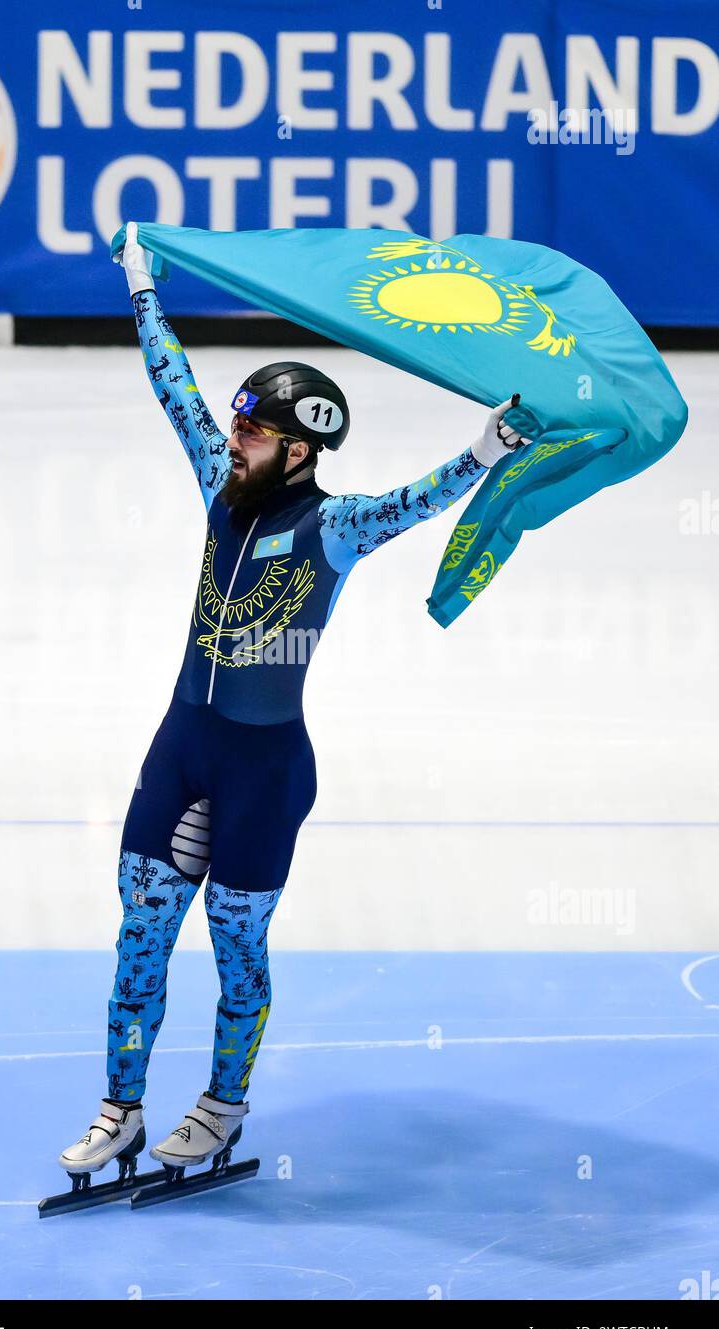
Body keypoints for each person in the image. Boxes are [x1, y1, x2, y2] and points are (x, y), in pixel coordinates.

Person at [58, 222, 531, 1182]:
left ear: (303, 449)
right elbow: (173, 386)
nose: (232, 442)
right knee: (140, 925)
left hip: (266, 769)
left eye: (254, 433)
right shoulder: (217, 482)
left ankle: (224, 1108)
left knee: (236, 942)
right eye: (235, 429)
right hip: (183, 743)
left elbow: (421, 499)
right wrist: (144, 281)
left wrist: (485, 448)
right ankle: (121, 1110)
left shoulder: (338, 527)